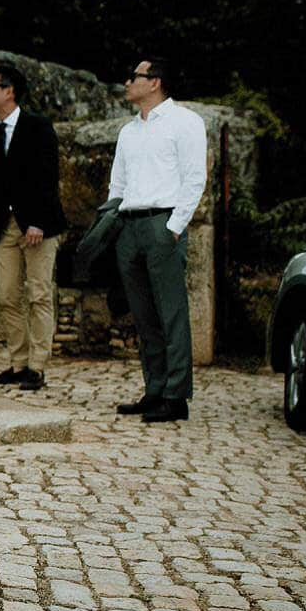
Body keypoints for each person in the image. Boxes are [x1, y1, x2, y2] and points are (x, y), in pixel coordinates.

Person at [110, 57, 207, 423]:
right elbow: (117, 183)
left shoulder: (185, 123)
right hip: (130, 226)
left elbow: (194, 178)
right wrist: (115, 223)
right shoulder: (128, 131)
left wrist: (175, 226)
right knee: (144, 315)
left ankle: (176, 395)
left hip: (163, 223)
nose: (127, 82)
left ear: (155, 82)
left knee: (171, 313)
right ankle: (154, 389)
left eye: (133, 76)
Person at [0, 64, 69, 392]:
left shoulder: (38, 127)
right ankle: (18, 362)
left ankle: (37, 367)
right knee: (6, 295)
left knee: (39, 293)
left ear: (9, 91)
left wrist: (39, 221)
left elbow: (47, 176)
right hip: (3, 227)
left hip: (38, 225)